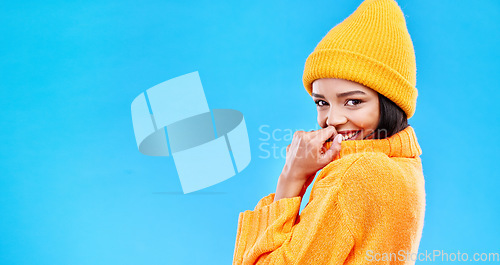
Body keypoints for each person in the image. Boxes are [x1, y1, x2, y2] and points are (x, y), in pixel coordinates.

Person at [233, 0, 425, 264]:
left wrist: (291, 177)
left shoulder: (355, 173)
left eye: (353, 101)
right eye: (322, 102)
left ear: (390, 101)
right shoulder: (405, 168)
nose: (332, 119)